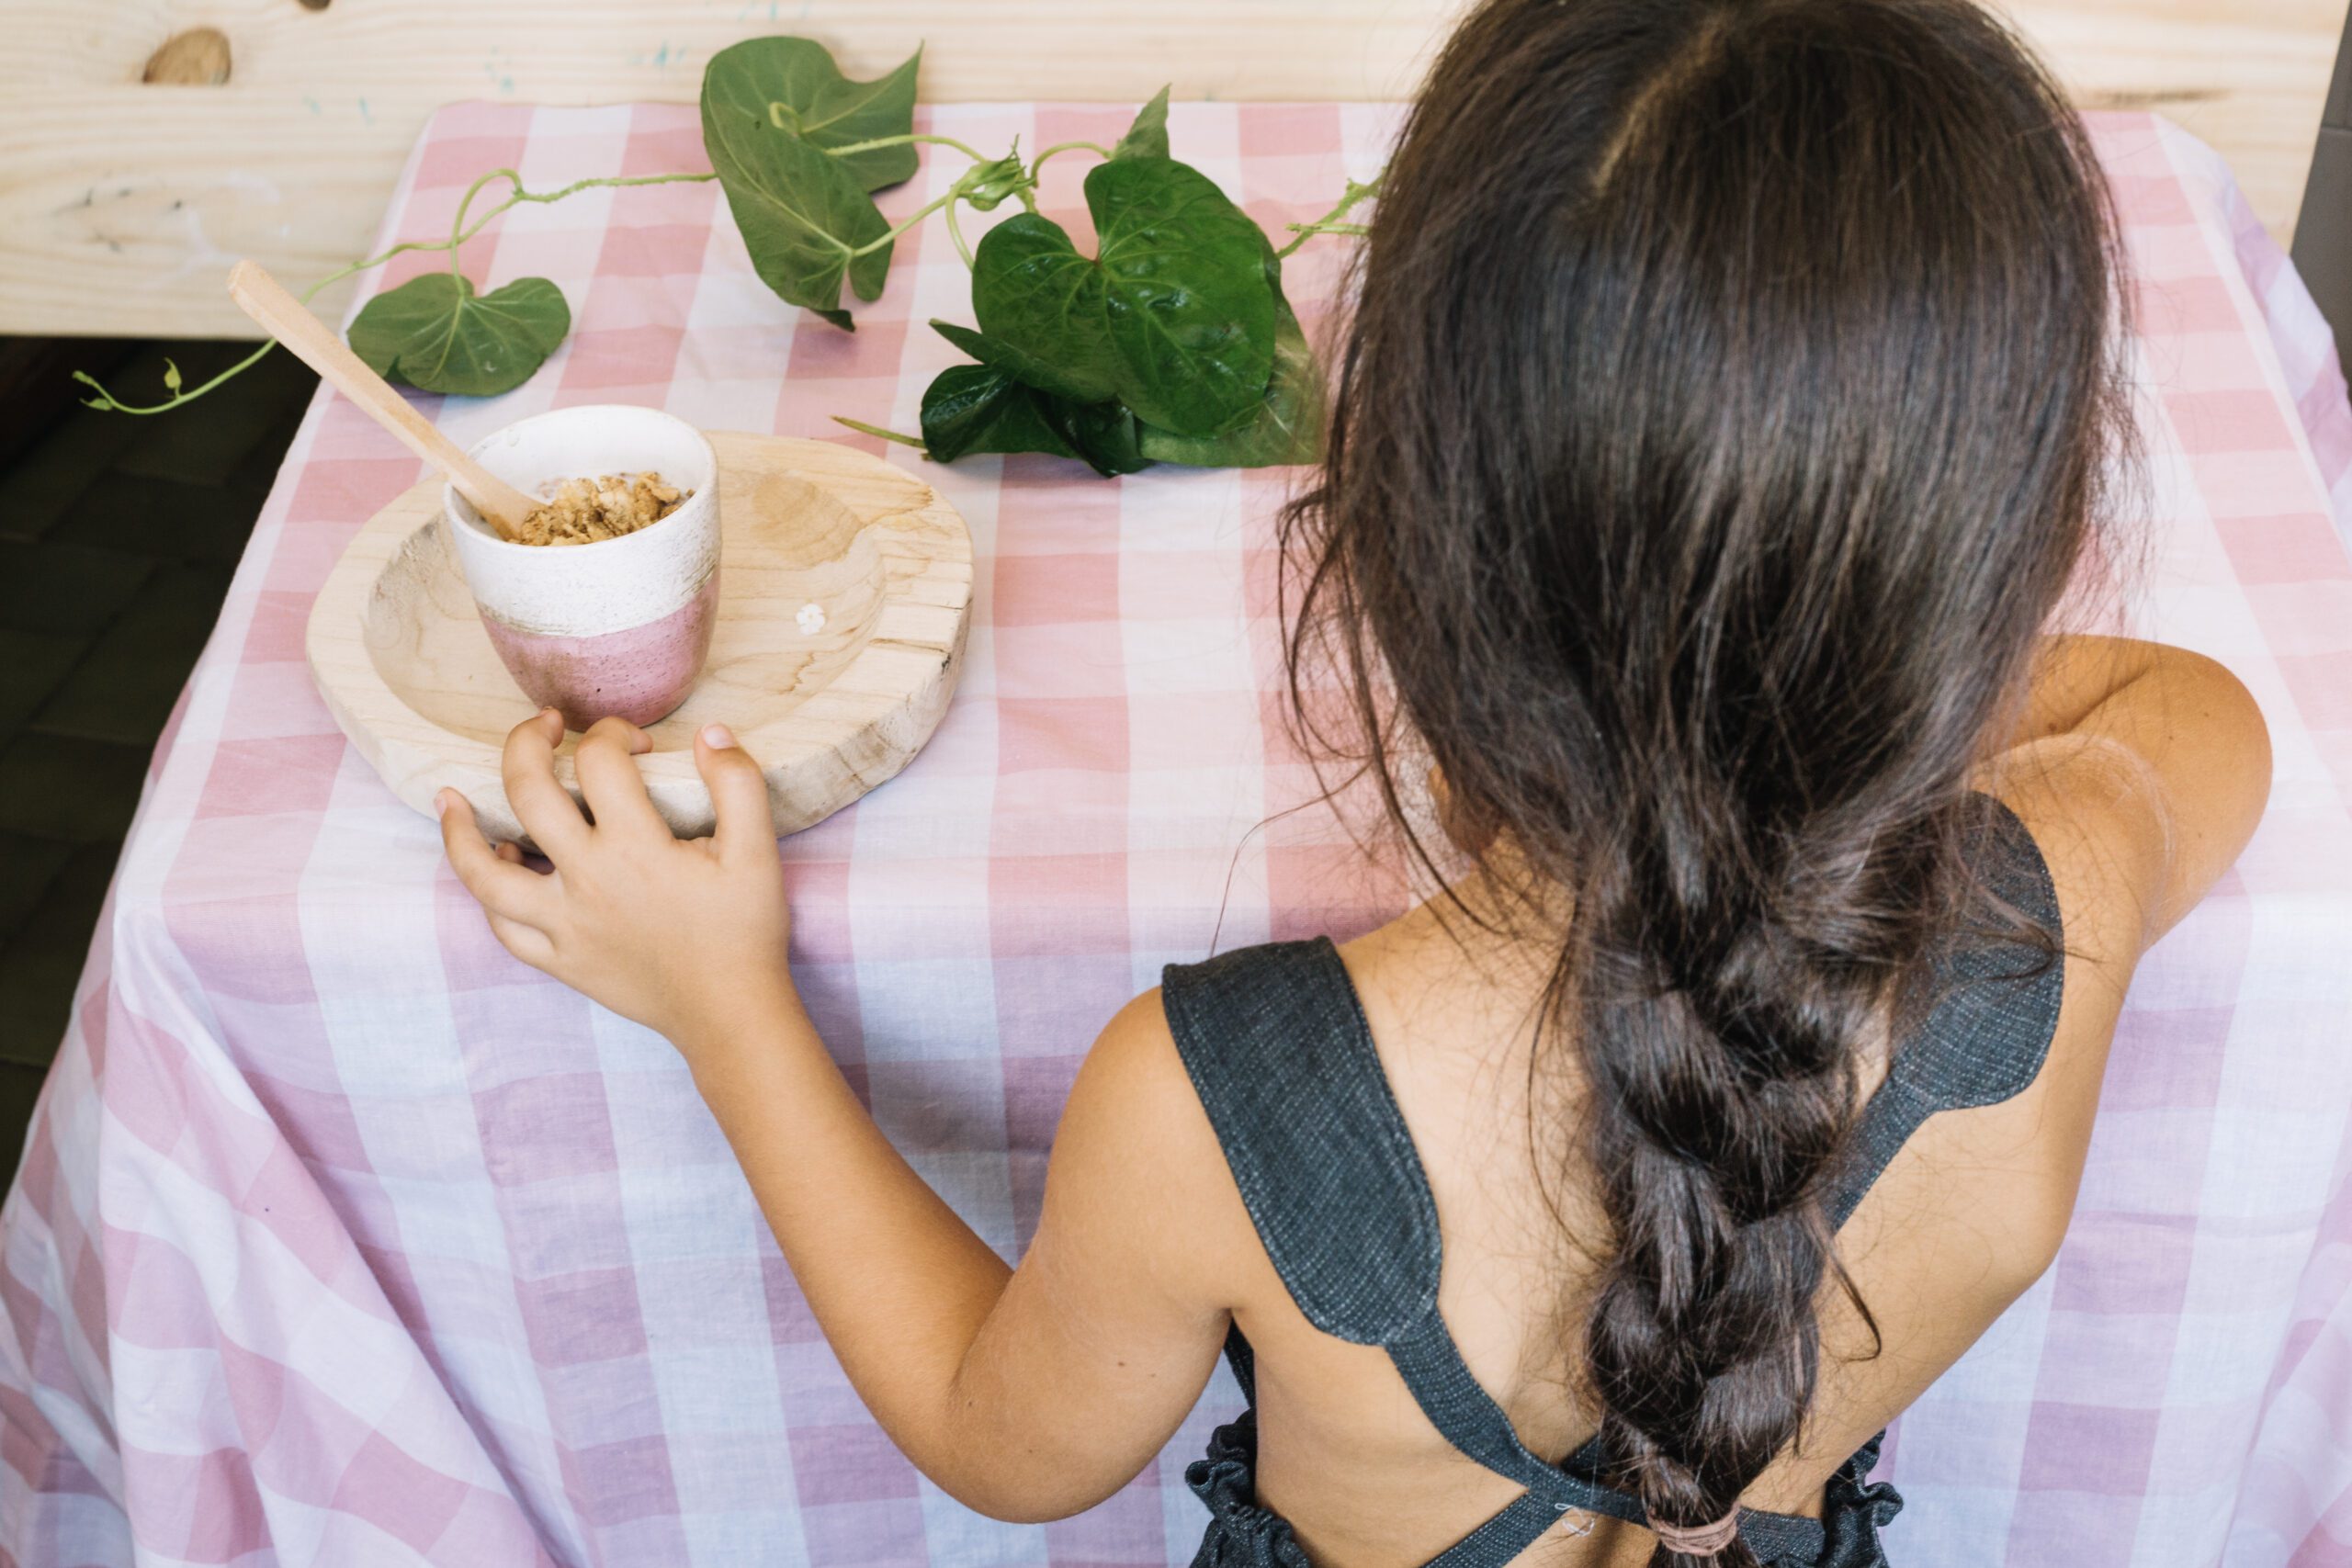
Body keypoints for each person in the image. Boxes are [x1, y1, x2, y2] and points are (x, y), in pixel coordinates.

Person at [436, 0, 2273, 1561]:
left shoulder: (1213, 1104)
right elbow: (2194, 712)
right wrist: (1816, 684)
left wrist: (722, 1001)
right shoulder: (2062, 902)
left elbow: (1004, 1444)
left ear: (1394, 543)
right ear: (1993, 561)